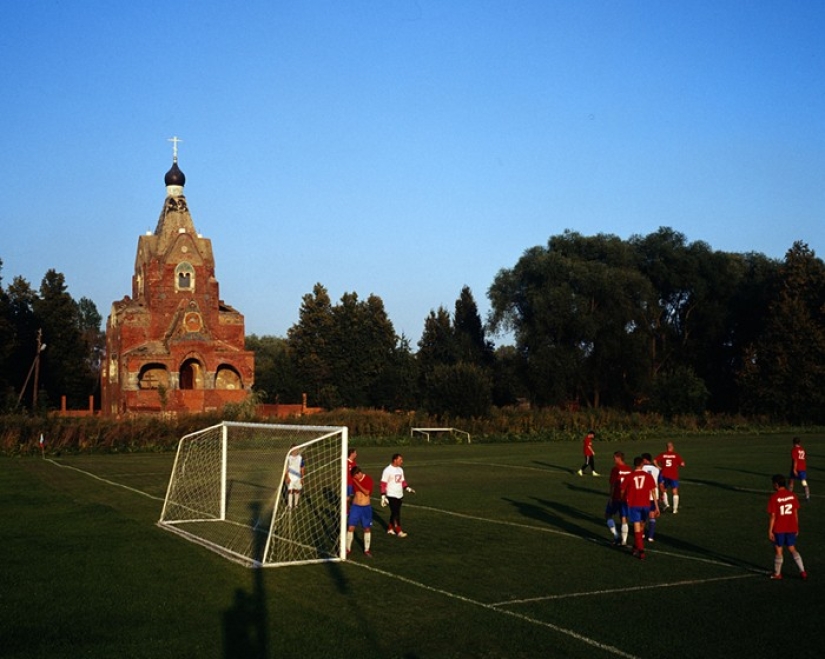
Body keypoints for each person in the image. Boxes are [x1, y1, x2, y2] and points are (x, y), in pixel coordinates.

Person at [767, 474, 807, 580]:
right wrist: (797, 526)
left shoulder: (774, 497)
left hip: (779, 527)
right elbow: (795, 512)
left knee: (779, 550)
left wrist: (770, 531)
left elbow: (773, 516)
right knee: (792, 548)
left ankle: (777, 574)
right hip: (791, 526)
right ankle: (802, 571)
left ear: (776, 485)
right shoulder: (792, 495)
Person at [621, 456, 660, 560]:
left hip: (634, 505)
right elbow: (653, 492)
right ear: (642, 464)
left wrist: (622, 499)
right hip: (646, 505)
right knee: (642, 526)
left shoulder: (630, 476)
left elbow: (622, 490)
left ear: (634, 464)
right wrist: (656, 507)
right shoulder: (648, 476)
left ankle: (641, 551)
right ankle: (635, 547)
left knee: (637, 528)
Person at [380, 453, 415, 537]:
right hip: (391, 494)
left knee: (394, 513)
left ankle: (390, 529)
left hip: (399, 494)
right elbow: (383, 483)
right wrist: (383, 496)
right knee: (396, 513)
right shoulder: (387, 470)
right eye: (400, 460)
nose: (402, 461)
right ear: (395, 460)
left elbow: (402, 481)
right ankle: (398, 530)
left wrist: (408, 488)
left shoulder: (400, 470)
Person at [346, 466, 374, 558]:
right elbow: (352, 491)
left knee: (366, 528)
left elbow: (366, 492)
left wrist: (356, 483)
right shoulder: (354, 480)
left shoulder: (368, 479)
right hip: (355, 507)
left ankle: (366, 550)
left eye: (355, 476)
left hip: (366, 508)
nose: (354, 478)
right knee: (350, 527)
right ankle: (347, 548)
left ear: (359, 473)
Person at [605, 451, 632, 545]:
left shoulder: (615, 469)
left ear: (619, 458)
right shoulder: (629, 469)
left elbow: (612, 484)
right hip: (626, 497)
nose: (614, 459)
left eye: (615, 457)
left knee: (608, 515)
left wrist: (610, 497)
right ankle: (624, 540)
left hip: (616, 496)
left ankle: (616, 536)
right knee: (624, 518)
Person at [654, 442, 685, 513]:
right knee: (674, 491)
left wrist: (658, 467)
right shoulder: (676, 455)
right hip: (673, 475)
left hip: (664, 474)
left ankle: (667, 504)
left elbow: (655, 460)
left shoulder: (663, 455)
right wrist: (677, 465)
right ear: (672, 447)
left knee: (664, 490)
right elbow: (683, 464)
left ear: (667, 448)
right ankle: (675, 509)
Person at [641, 453, 660, 541]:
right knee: (652, 515)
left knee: (643, 516)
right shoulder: (656, 469)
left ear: (645, 460)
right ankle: (651, 536)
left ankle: (642, 534)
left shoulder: (641, 468)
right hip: (654, 494)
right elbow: (660, 483)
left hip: (644, 495)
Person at [788, 437, 810, 501]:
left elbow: (795, 460)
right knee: (803, 481)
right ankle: (807, 496)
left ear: (793, 442)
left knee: (791, 481)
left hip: (796, 468)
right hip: (802, 468)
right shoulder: (802, 449)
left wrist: (794, 469)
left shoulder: (794, 449)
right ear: (800, 442)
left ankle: (789, 495)